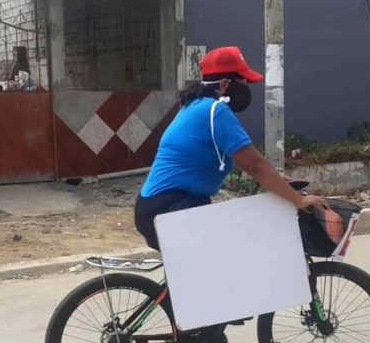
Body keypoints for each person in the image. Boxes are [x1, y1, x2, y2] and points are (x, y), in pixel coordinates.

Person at [135, 46, 325, 251]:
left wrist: (281, 182)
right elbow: (255, 166)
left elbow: (243, 161)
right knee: (236, 250)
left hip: (162, 206)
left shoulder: (196, 105)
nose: (246, 87)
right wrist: (299, 200)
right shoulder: (215, 111)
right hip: (171, 207)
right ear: (225, 84)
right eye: (243, 81)